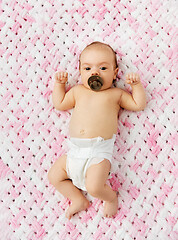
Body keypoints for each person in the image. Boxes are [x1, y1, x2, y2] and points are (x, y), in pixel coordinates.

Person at [48, 41, 146, 219]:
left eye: (102, 68)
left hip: (98, 151)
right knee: (54, 176)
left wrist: (136, 86)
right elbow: (60, 103)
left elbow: (138, 104)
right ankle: (78, 199)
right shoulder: (78, 91)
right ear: (80, 71)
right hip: (74, 151)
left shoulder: (116, 94)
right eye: (87, 69)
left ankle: (111, 198)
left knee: (95, 187)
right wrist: (59, 85)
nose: (94, 73)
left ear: (115, 73)